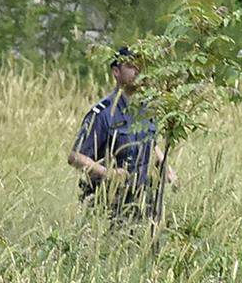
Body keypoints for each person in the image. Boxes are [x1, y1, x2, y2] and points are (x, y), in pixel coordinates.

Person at [67, 46, 175, 219]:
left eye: (139, 66)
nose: (137, 71)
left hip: (144, 200)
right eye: (130, 66)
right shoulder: (103, 113)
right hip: (109, 204)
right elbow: (75, 156)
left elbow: (151, 143)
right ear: (116, 72)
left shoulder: (147, 109)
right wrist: (109, 173)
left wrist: (167, 170)